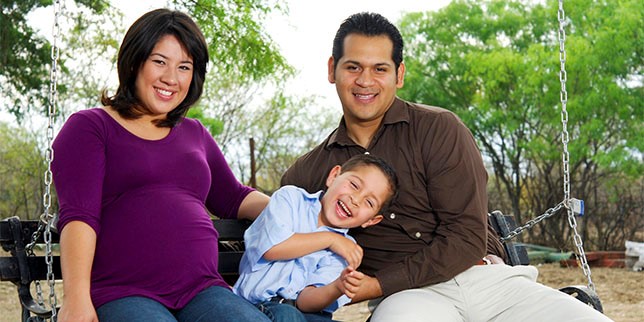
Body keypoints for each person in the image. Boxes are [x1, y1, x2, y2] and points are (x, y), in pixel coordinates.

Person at [281, 12, 612, 322]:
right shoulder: (309, 173)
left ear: (399, 74)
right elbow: (283, 242)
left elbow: (467, 236)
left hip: (484, 278)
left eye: (379, 69)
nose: (365, 80)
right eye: (353, 67)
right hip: (408, 297)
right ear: (331, 70)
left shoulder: (438, 129)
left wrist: (377, 283)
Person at [51, 9, 271, 322]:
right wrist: (75, 299)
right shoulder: (90, 127)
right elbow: (79, 217)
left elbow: (233, 197)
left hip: (202, 290)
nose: (171, 78)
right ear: (133, 62)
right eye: (159, 62)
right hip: (123, 291)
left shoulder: (194, 132)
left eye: (184, 67)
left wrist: (292, 211)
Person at [234, 154, 399, 322]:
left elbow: (306, 301)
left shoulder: (348, 249)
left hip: (304, 313)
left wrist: (337, 286)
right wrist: (330, 239)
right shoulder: (290, 199)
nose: (355, 200)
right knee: (288, 315)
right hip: (258, 305)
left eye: (369, 202)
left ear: (371, 220)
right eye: (354, 185)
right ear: (334, 176)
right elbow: (272, 248)